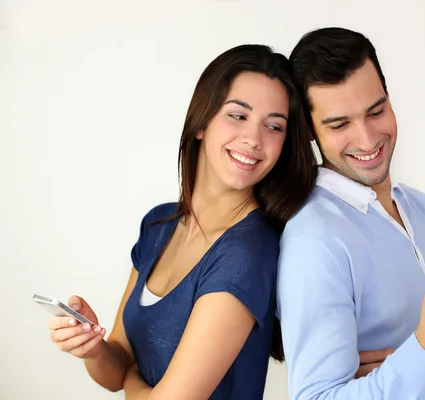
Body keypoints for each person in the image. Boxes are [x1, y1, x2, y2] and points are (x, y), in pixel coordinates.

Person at [45, 44, 317, 399]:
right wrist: (92, 347)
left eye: (274, 126)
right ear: (201, 122)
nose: (254, 139)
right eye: (238, 116)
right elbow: (117, 364)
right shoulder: (159, 225)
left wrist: (132, 381)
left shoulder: (247, 252)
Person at [276, 27, 425, 399]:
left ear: (388, 97)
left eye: (376, 111)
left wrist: (422, 370)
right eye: (339, 124)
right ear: (308, 129)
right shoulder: (314, 242)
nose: (368, 140)